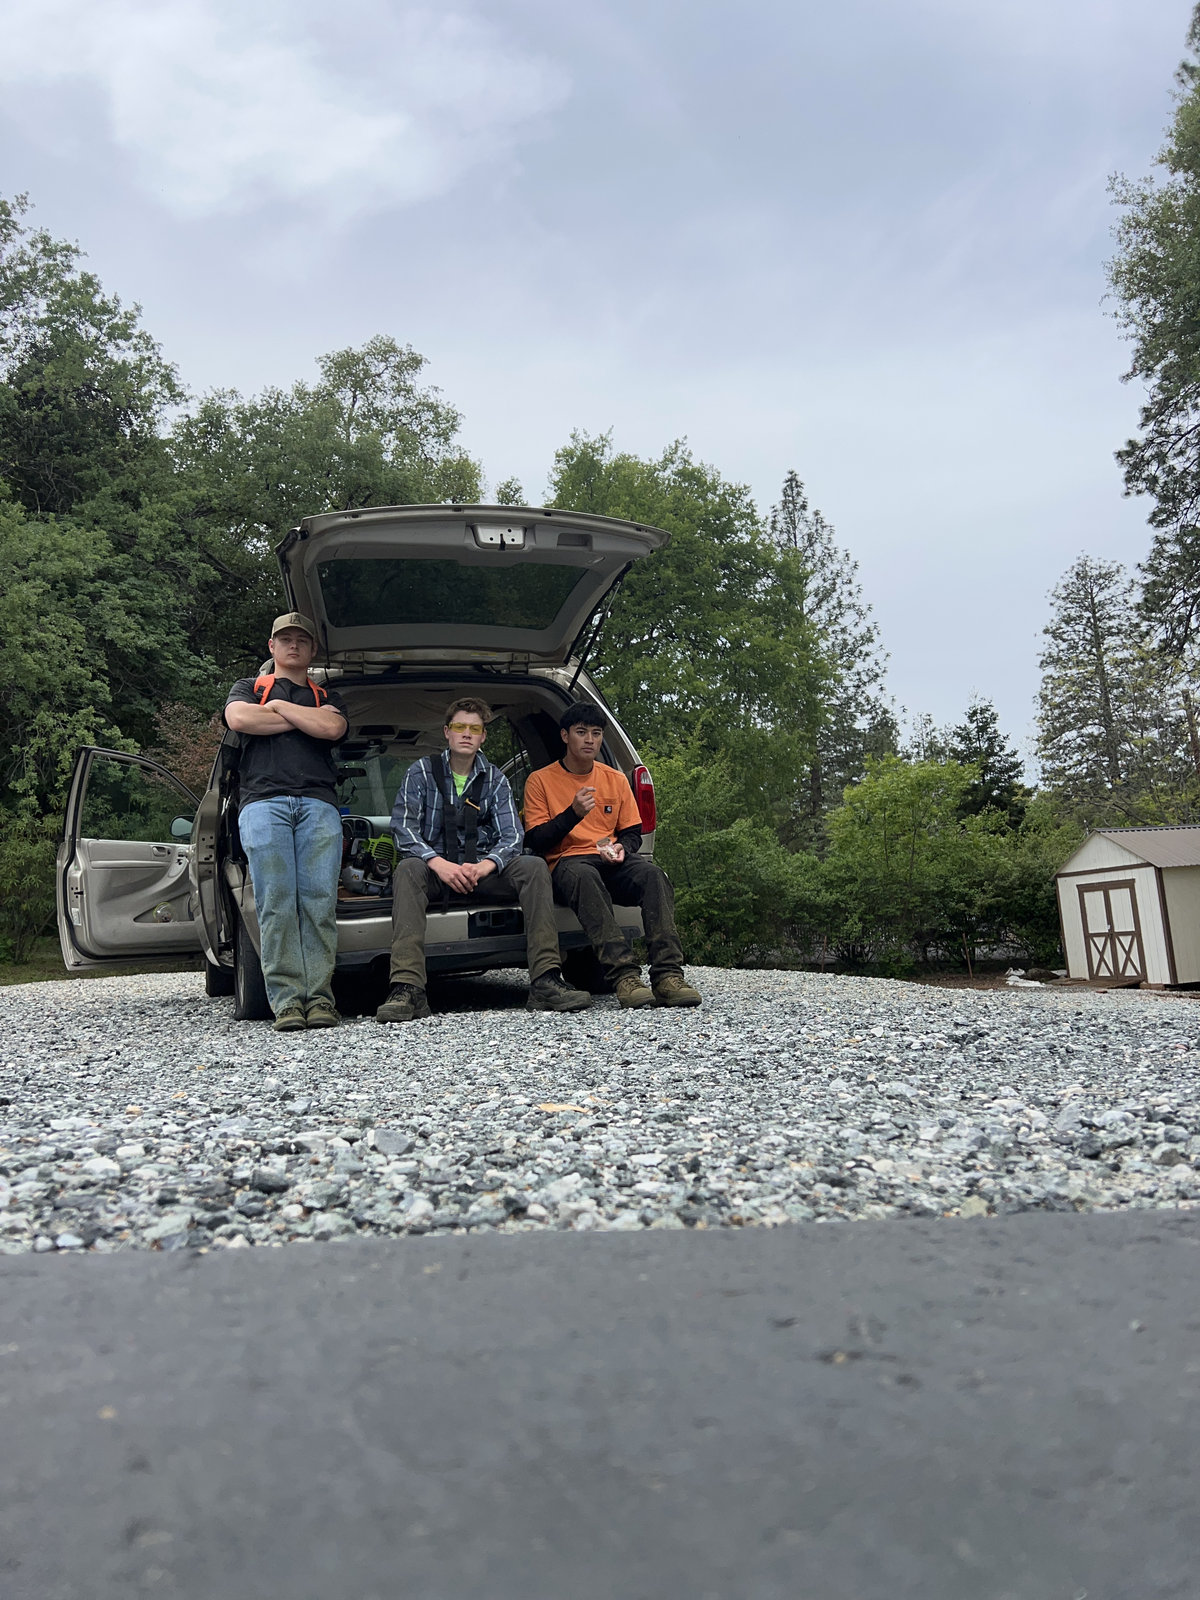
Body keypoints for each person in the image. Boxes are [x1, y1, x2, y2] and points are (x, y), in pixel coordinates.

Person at [376, 696, 592, 1022]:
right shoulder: (420, 773)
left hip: (483, 870)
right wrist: (439, 863)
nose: (467, 734)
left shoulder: (495, 779)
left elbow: (512, 837)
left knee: (533, 866)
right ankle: (408, 989)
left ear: (483, 736)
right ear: (447, 732)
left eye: (474, 729)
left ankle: (546, 980)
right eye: (460, 727)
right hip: (436, 871)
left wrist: (485, 865)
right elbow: (403, 829)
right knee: (407, 868)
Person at [523, 703, 702, 1009]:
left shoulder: (615, 779)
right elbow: (536, 840)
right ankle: (625, 977)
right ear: (565, 736)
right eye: (581, 733)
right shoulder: (540, 780)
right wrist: (572, 814)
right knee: (584, 874)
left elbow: (632, 832)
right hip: (567, 863)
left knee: (653, 875)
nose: (589, 740)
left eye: (596, 733)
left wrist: (623, 848)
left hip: (610, 859)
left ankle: (668, 975)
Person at [223, 612, 349, 1031]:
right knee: (276, 903)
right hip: (262, 803)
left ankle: (320, 1000)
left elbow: (333, 728)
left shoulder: (328, 695)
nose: (293, 645)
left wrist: (277, 710)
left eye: (302, 640)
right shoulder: (247, 688)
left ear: (312, 650)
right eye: (285, 639)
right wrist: (300, 717)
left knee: (318, 903)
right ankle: (288, 1003)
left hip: (318, 803)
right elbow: (240, 719)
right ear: (272, 647)